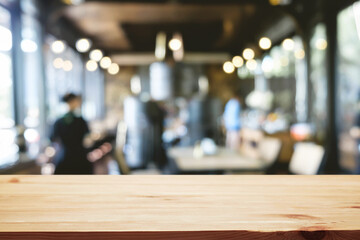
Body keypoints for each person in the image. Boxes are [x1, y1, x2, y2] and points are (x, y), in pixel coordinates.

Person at [50, 93, 92, 174]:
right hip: (80, 159)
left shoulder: (58, 122)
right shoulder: (81, 121)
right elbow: (88, 140)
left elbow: (53, 140)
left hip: (64, 158)